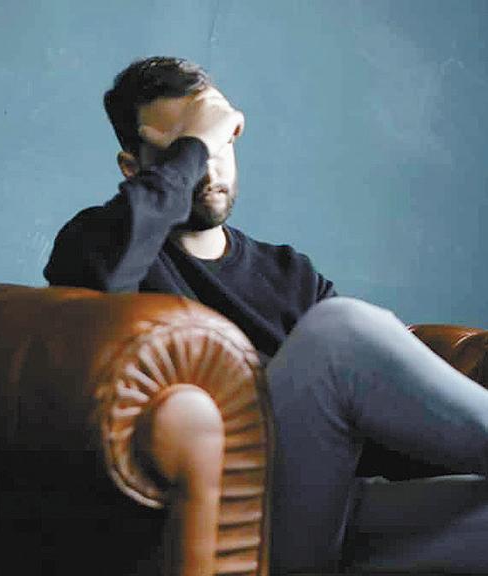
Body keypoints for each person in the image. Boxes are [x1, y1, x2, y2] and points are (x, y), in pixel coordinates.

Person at [44, 56, 488, 574]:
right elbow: (98, 286)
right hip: (225, 524)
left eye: (220, 144)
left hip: (329, 514)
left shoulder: (288, 272)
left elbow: (371, 430)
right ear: (133, 168)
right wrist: (198, 140)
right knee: (340, 329)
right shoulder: (98, 245)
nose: (209, 168)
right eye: (188, 149)